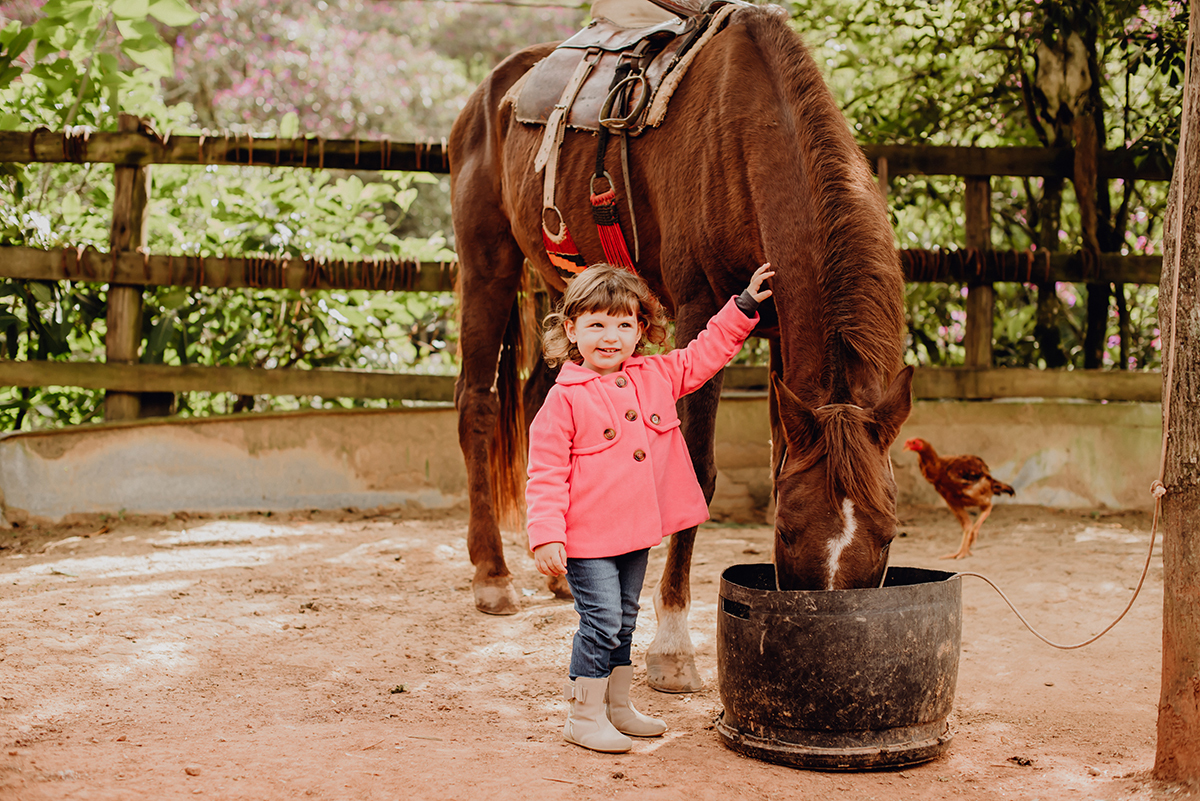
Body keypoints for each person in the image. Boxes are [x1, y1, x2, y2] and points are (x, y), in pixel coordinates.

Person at [526, 262, 774, 753]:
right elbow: (546, 474)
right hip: (588, 541)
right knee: (599, 623)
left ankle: (617, 707)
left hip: (636, 534)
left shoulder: (656, 375)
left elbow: (706, 353)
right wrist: (546, 535)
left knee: (624, 619)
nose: (610, 337)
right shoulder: (564, 401)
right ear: (571, 329)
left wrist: (743, 306)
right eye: (596, 324)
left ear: (641, 330)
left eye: (623, 325)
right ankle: (583, 715)